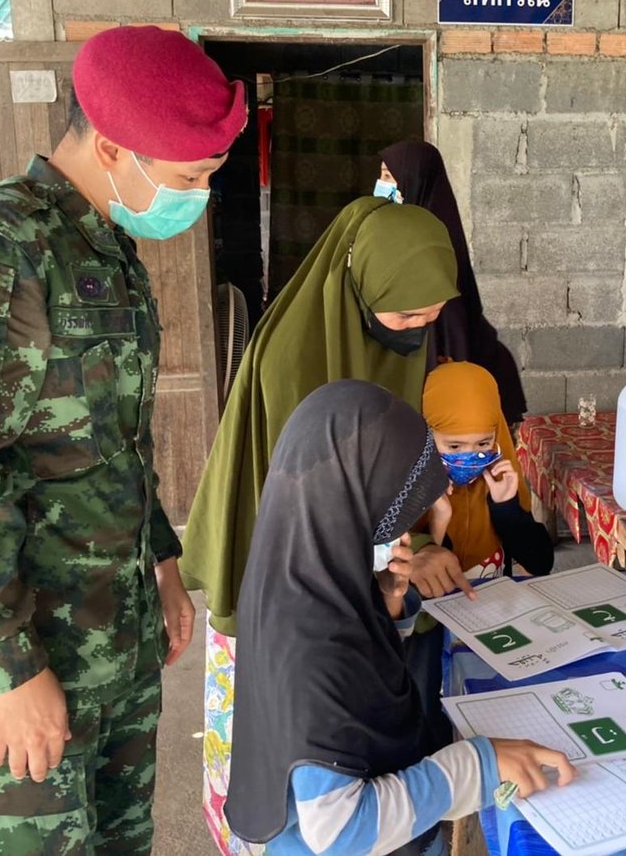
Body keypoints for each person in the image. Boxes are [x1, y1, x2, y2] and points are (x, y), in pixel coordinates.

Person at [0, 25, 245, 853]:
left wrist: (161, 563)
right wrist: (8, 668)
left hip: (109, 638)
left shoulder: (105, 244)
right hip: (13, 655)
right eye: (189, 177)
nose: (199, 196)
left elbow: (117, 440)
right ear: (112, 147)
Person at [180, 195, 459, 852]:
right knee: (281, 728)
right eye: (410, 313)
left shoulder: (397, 337)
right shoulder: (293, 360)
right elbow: (318, 503)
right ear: (364, 288)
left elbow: (382, 466)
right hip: (280, 556)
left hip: (351, 541)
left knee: (352, 710)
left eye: (434, 315)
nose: (419, 329)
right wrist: (397, 551)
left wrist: (410, 535)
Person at [226, 380, 574, 854]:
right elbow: (339, 831)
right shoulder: (310, 642)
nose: (401, 530)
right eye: (394, 511)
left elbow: (356, 681)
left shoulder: (301, 575)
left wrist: (389, 608)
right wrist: (480, 766)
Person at [405, 360, 555, 747]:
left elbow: (541, 562)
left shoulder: (500, 478)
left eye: (483, 443)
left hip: (489, 625)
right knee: (427, 709)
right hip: (426, 635)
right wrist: (439, 520)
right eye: (453, 446)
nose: (469, 456)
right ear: (425, 435)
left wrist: (506, 509)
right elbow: (427, 582)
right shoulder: (406, 489)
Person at [378, 141, 527, 425]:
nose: (380, 184)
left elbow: (450, 324)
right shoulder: (400, 236)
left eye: (388, 175)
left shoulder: (430, 246)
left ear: (413, 179)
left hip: (445, 375)